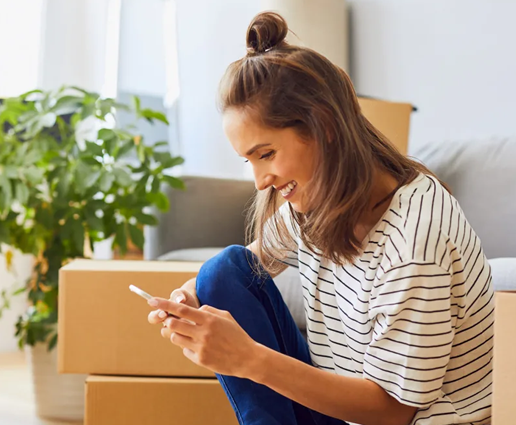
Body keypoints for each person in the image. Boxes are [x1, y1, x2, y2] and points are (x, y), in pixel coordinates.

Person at [147, 11, 494, 425]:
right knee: (223, 271)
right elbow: (249, 268)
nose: (260, 181)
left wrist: (248, 359)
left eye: (266, 154)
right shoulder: (314, 202)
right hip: (344, 414)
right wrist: (189, 302)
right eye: (249, 161)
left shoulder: (414, 239)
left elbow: (393, 412)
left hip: (400, 419)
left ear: (323, 126)